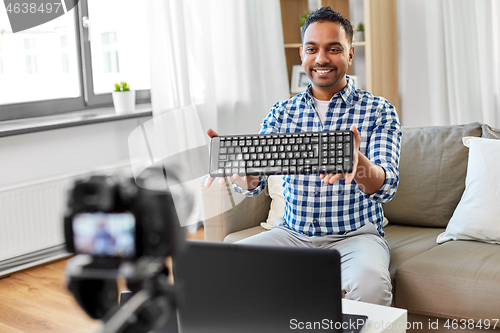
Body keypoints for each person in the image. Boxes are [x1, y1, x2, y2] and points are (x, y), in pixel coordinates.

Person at [205, 6, 401, 306]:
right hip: (292, 235)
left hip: (356, 238)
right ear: (302, 54)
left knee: (371, 285)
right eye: (313, 49)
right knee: (224, 269)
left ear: (349, 54)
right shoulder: (281, 113)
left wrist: (357, 162)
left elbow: (386, 186)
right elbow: (255, 183)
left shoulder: (379, 110)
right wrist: (244, 174)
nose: (322, 58)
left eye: (333, 49)